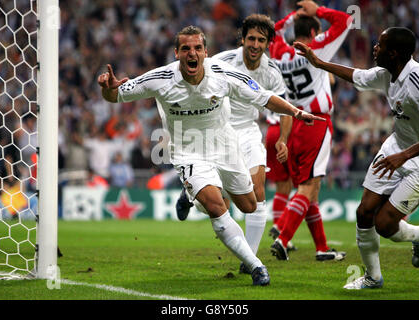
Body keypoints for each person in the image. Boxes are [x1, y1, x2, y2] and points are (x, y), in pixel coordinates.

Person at [97, 25, 324, 286]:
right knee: (217, 206)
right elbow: (115, 95)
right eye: (185, 49)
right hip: (187, 151)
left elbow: (264, 97)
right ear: (176, 53)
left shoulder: (224, 74)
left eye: (197, 48)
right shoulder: (159, 78)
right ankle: (255, 266)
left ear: (206, 52)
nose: (191, 53)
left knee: (249, 205)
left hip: (224, 144)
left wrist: (296, 113)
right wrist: (107, 87)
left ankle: (192, 196)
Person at [294, 26, 419, 289]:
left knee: (385, 224)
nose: (374, 48)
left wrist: (404, 156)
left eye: (380, 44)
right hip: (395, 149)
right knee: (364, 212)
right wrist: (319, 63)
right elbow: (357, 76)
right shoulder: (387, 73)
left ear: (394, 53)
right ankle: (373, 277)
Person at [268, 0, 351, 261]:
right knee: (308, 187)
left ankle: (322, 248)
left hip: (293, 124)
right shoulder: (316, 47)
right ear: (314, 33)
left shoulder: (280, 52)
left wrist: (293, 16)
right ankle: (283, 238)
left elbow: (273, 31)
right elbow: (345, 20)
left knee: (311, 191)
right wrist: (318, 11)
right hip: (316, 122)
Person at [211, 14, 292, 274]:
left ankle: (251, 260)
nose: (255, 44)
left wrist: (282, 139)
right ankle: (189, 194)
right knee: (214, 198)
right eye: (251, 39)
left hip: (247, 131)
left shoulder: (271, 71)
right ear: (242, 39)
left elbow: (285, 109)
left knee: (258, 193)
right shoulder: (221, 61)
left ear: (268, 43)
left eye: (261, 40)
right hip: (219, 132)